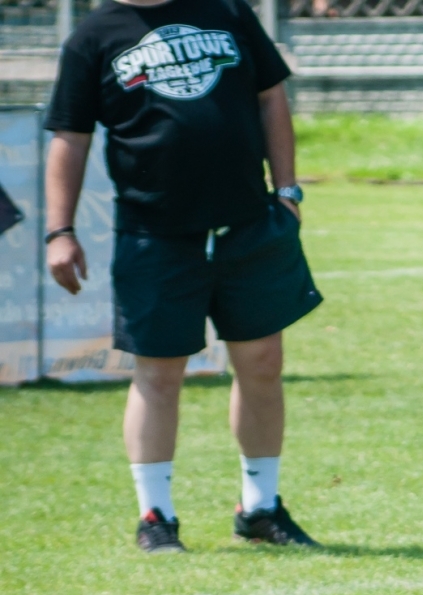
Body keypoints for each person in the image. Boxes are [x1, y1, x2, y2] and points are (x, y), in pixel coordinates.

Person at [44, 0, 323, 552]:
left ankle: (260, 507)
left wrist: (287, 190)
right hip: (154, 233)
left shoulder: (227, 10)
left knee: (262, 361)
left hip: (247, 222)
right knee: (159, 372)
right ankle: (156, 516)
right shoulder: (94, 36)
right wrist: (60, 230)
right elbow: (70, 137)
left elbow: (270, 96)